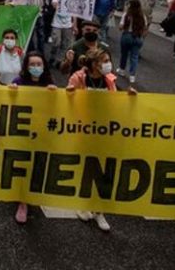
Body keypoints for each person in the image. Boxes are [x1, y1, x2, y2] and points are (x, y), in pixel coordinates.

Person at [67, 47, 137, 232]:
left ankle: (99, 210)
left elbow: (116, 102)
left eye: (108, 60)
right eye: (104, 60)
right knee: (87, 167)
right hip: (84, 130)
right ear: (94, 64)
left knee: (104, 169)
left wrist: (129, 98)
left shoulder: (110, 80)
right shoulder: (78, 78)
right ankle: (83, 204)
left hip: (105, 131)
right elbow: (68, 102)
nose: (108, 64)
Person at [9, 51, 56, 224]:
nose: (36, 68)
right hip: (22, 130)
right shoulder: (18, 82)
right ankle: (23, 202)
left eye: (39, 64)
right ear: (26, 67)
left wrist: (56, 94)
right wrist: (12, 92)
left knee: (36, 165)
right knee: (23, 165)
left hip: (41, 131)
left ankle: (27, 196)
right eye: (32, 65)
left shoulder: (49, 84)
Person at [117, 0, 148, 84]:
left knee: (124, 54)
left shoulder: (126, 14)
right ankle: (132, 76)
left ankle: (122, 70)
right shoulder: (143, 16)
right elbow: (145, 28)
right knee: (134, 57)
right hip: (138, 37)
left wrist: (123, 27)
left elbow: (120, 27)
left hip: (127, 35)